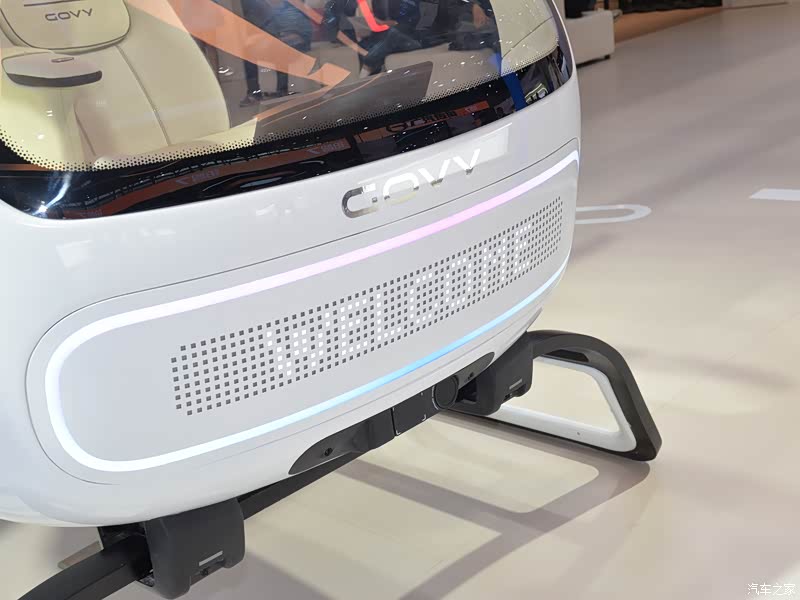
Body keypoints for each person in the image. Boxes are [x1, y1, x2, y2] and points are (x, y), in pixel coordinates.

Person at [240, 0, 314, 106]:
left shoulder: (291, 9)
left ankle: (275, 91)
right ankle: (262, 92)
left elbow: (299, 33)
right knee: (250, 51)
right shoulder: (272, 9)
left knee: (276, 48)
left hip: (293, 42)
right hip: (281, 39)